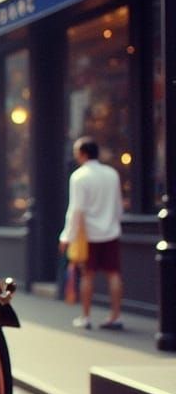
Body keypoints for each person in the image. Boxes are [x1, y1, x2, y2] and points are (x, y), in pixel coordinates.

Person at [59, 136, 124, 330]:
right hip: (111, 231)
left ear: (83, 153)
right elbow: (119, 205)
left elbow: (76, 210)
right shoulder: (112, 174)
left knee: (88, 275)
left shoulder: (79, 176)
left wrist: (66, 237)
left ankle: (85, 317)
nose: (75, 155)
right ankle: (116, 315)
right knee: (114, 274)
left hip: (88, 234)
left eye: (76, 151)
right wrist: (114, 222)